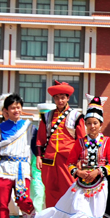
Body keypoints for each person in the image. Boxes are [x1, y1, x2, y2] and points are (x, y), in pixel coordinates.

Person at [26, 96, 110, 218]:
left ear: (100, 124)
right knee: (77, 217)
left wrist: (98, 171)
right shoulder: (80, 142)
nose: (92, 126)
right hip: (81, 186)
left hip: (99, 187)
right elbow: (70, 163)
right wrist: (79, 172)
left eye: (95, 123)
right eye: (89, 123)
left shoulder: (107, 143)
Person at [0, 94, 37, 218]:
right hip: (4, 168)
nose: (16, 110)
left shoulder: (30, 128)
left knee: (23, 199)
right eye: (12, 108)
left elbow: (37, 148)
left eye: (18, 107)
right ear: (6, 110)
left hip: (22, 168)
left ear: (21, 109)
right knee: (1, 200)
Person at [36, 80, 86, 209]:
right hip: (50, 160)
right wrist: (38, 157)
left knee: (70, 188)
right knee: (50, 191)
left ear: (68, 98)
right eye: (57, 98)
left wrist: (81, 159)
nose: (60, 101)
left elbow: (81, 139)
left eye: (63, 98)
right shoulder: (46, 117)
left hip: (69, 159)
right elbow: (40, 139)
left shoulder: (76, 116)